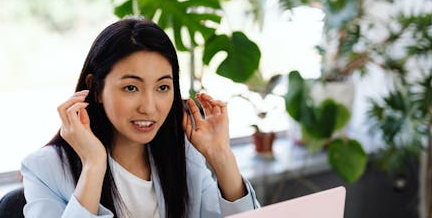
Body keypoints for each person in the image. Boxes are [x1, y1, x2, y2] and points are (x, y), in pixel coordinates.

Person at [21, 17, 260, 217]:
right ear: (96, 89)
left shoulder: (184, 154)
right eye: (131, 88)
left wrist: (221, 157)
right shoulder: (45, 169)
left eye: (163, 88)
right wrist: (94, 165)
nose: (149, 107)